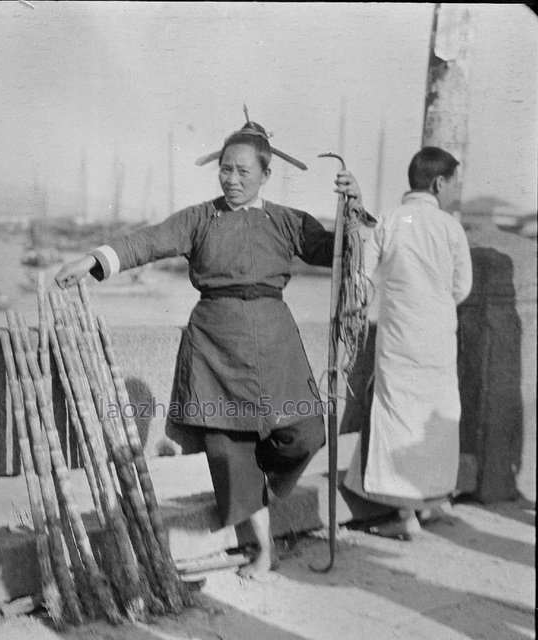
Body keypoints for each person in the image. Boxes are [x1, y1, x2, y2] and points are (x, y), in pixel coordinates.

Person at [56, 116, 371, 577]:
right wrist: (92, 260)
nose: (232, 179)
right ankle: (263, 549)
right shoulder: (199, 218)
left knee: (307, 431)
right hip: (214, 345)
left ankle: (265, 474)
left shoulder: (288, 222)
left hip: (275, 339)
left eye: (244, 171)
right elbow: (148, 241)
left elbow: (341, 250)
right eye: (225, 169)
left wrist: (353, 204)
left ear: (265, 174)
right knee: (230, 453)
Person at [343, 146, 473, 540]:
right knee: (435, 419)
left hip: (398, 337)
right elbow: (462, 288)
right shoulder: (451, 227)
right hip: (436, 339)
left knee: (398, 418)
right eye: (454, 183)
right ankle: (429, 501)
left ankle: (405, 512)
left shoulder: (391, 220)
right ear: (438, 183)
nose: (456, 191)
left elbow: (363, 278)